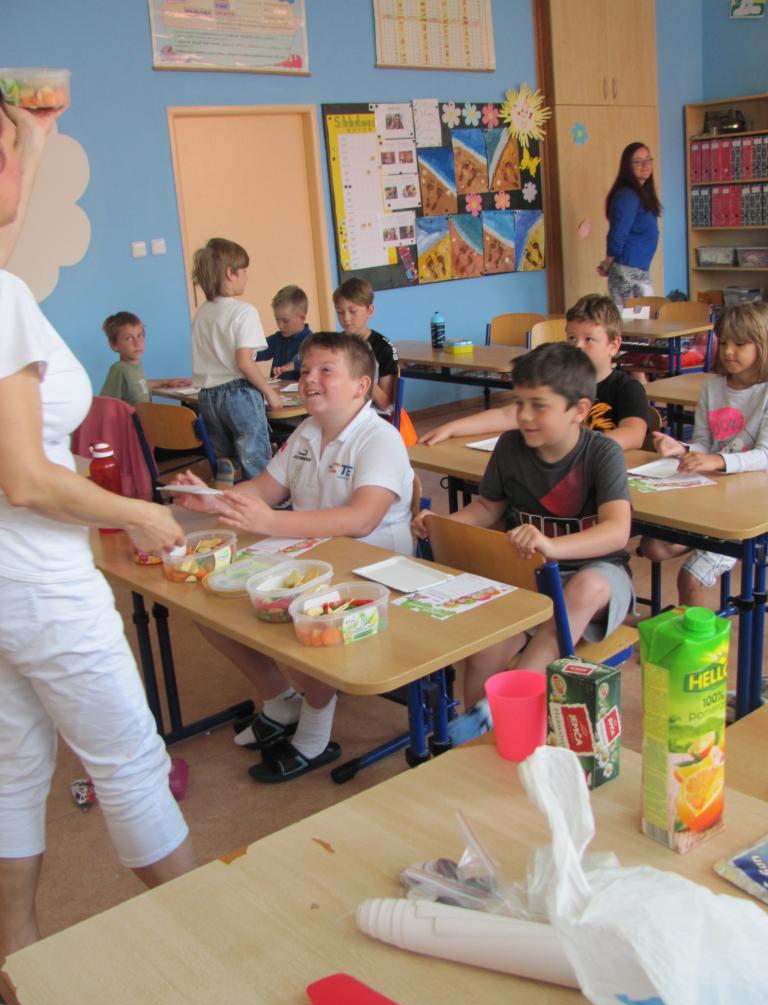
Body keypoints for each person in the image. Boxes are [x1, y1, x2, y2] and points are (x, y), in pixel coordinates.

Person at [0, 99, 197, 993]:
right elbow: (26, 480)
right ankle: (221, 945)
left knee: (14, 769)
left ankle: (14, 967)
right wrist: (138, 513)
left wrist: (34, 142)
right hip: (38, 580)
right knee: (129, 763)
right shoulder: (4, 299)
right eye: (13, 153)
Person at [173, 332, 414, 783]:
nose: (309, 380)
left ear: (361, 386)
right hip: (312, 556)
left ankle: (316, 729)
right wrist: (215, 500)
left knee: (308, 614)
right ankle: (280, 700)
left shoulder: (380, 439)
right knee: (208, 602)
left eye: (326, 370)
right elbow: (264, 489)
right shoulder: (307, 431)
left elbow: (361, 520)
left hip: (375, 572)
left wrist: (271, 522)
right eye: (305, 371)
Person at [412, 343, 633, 745]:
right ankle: (480, 738)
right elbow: (487, 508)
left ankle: (502, 705)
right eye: (519, 404)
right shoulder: (510, 447)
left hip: (597, 572)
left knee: (583, 589)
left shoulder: (601, 453)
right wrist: (440, 524)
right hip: (529, 577)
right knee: (486, 648)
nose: (525, 416)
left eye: (539, 406)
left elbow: (617, 531)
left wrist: (553, 546)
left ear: (579, 410)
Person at [640, 301, 768, 606]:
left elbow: (764, 455)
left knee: (689, 579)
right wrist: (681, 449)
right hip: (712, 495)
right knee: (653, 546)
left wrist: (716, 461)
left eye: (740, 344)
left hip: (750, 507)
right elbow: (704, 444)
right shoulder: (712, 388)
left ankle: (698, 636)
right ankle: (711, 545)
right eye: (723, 343)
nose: (728, 351)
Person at [419, 294, 650, 451]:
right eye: (572, 338)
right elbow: (507, 415)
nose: (577, 346)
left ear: (614, 346)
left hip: (601, 473)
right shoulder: (557, 383)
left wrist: (581, 450)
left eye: (589, 339)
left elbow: (634, 434)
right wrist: (452, 428)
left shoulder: (626, 388)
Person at [190, 237, 282, 481]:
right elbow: (244, 362)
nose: (246, 277)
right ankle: (262, 503)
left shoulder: (202, 313)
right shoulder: (243, 311)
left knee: (226, 465)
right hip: (238, 395)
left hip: (208, 397)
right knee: (255, 461)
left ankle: (231, 500)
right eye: (244, 271)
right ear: (231, 273)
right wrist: (269, 392)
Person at [597, 141, 661, 308]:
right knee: (634, 319)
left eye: (648, 159)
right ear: (628, 166)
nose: (645, 165)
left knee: (644, 317)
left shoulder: (642, 193)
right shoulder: (628, 195)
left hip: (638, 270)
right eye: (638, 161)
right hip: (627, 270)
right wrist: (607, 263)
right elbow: (618, 232)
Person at [333, 277, 398, 414]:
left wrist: (359, 372)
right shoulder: (334, 344)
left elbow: (385, 403)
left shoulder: (383, 347)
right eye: (340, 312)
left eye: (353, 311)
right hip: (340, 411)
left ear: (370, 311)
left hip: (373, 414)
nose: (346, 318)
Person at [256, 284, 312, 382]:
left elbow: (309, 360)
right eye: (277, 319)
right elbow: (256, 351)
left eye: (285, 321)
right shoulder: (277, 339)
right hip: (278, 390)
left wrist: (292, 365)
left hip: (300, 391)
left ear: (302, 318)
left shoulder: (311, 341)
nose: (280, 326)